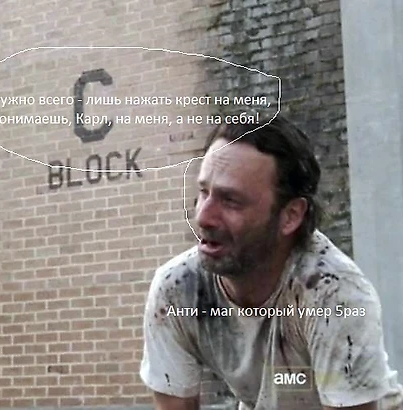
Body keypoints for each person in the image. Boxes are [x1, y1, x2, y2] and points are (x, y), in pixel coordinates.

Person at [140, 115, 403, 410]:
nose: (203, 216)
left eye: (231, 200)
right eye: (204, 192)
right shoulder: (178, 288)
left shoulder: (333, 293)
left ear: (290, 216)